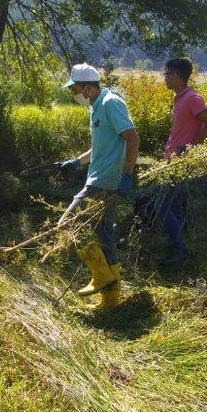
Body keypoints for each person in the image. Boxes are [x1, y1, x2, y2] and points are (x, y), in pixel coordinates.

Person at [58, 63, 139, 307]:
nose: (73, 93)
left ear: (87, 87)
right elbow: (100, 147)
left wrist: (127, 174)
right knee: (104, 235)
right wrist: (77, 161)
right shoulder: (96, 107)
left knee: (69, 224)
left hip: (105, 181)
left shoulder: (110, 103)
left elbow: (132, 138)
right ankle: (111, 300)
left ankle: (101, 276)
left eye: (74, 88)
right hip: (99, 177)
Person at [157, 57, 207, 266]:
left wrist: (191, 148)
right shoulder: (180, 98)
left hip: (180, 161)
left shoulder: (192, 98)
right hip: (172, 159)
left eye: (166, 74)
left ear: (176, 75)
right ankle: (178, 246)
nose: (164, 78)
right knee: (174, 204)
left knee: (162, 205)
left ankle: (179, 250)